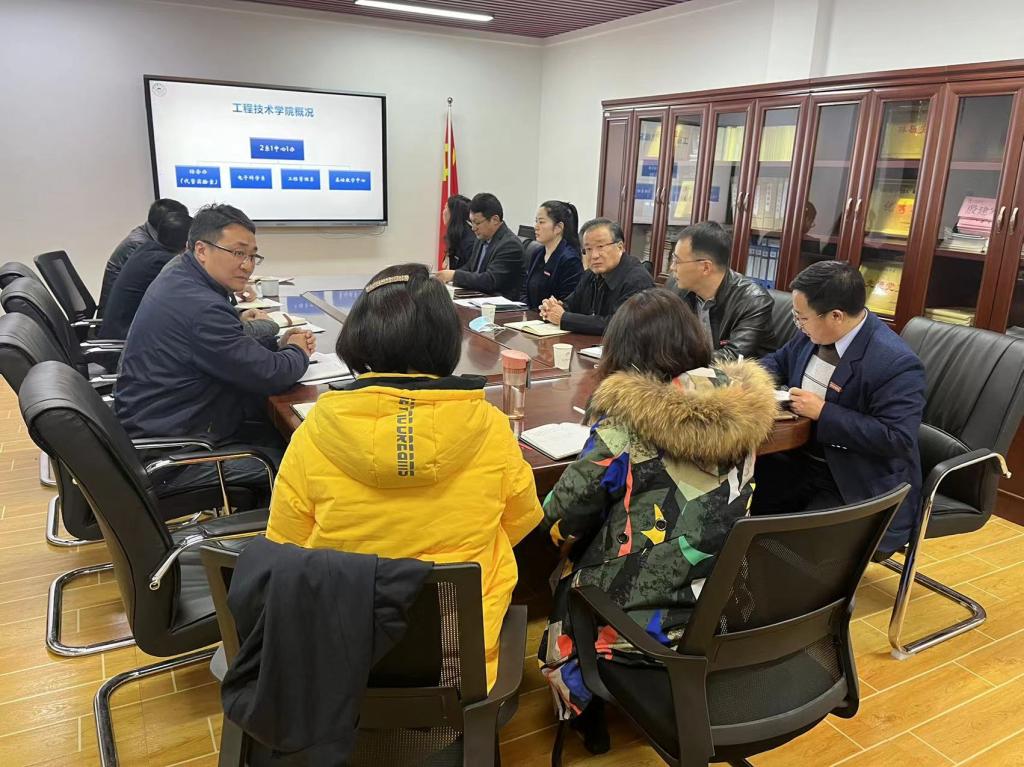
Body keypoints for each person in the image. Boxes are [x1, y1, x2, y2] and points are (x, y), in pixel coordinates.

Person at [266, 263, 543, 690]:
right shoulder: (489, 426)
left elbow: (286, 543)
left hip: (343, 665)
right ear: (446, 338)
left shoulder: (316, 430)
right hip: (461, 663)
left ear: (360, 334)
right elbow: (522, 519)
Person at [538, 289, 777, 750]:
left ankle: (584, 701)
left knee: (570, 563)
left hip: (634, 615)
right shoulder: (744, 413)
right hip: (717, 599)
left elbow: (559, 518)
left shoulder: (623, 430)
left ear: (624, 356)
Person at [114, 204, 315, 498]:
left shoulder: (181, 275)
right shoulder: (201, 306)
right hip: (178, 453)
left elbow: (227, 348)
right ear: (201, 249)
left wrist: (275, 345)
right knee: (302, 461)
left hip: (163, 423)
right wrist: (297, 350)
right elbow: (271, 374)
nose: (247, 265)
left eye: (252, 256)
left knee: (276, 428)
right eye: (237, 253)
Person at [752, 260, 925, 559]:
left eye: (802, 318)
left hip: (852, 477)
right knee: (744, 513)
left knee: (795, 550)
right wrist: (748, 378)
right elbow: (779, 361)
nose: (798, 324)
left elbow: (897, 437)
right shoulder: (815, 334)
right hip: (801, 459)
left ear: (836, 316)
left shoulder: (895, 363)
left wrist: (824, 412)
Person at [668, 221, 776, 360]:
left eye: (677, 261)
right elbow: (663, 338)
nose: (672, 267)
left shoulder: (754, 301)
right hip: (691, 370)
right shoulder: (677, 288)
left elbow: (732, 358)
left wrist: (677, 360)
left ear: (705, 267)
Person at [540, 218, 653, 335]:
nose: (594, 255)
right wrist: (553, 308)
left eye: (600, 246)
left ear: (620, 247)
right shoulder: (590, 274)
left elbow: (618, 324)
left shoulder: (638, 280)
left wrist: (564, 318)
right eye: (588, 249)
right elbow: (572, 304)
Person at [98, 209, 193, 339]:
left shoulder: (147, 248)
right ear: (188, 244)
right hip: (126, 338)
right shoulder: (162, 263)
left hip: (123, 329)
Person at [435, 192, 524, 300]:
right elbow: (470, 267)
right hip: (478, 298)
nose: (473, 228)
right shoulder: (481, 238)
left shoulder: (510, 245)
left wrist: (454, 275)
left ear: (495, 220)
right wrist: (448, 277)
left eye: (477, 223)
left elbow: (490, 280)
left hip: (500, 304)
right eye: (471, 222)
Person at [522, 200, 584, 310]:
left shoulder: (570, 260)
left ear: (558, 227)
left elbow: (567, 304)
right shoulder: (537, 253)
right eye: (536, 221)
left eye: (541, 222)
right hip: (530, 316)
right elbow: (524, 290)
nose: (536, 227)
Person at [442, 194, 475, 269]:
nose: (443, 212)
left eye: (445, 208)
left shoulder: (469, 242)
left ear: (454, 214)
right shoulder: (455, 235)